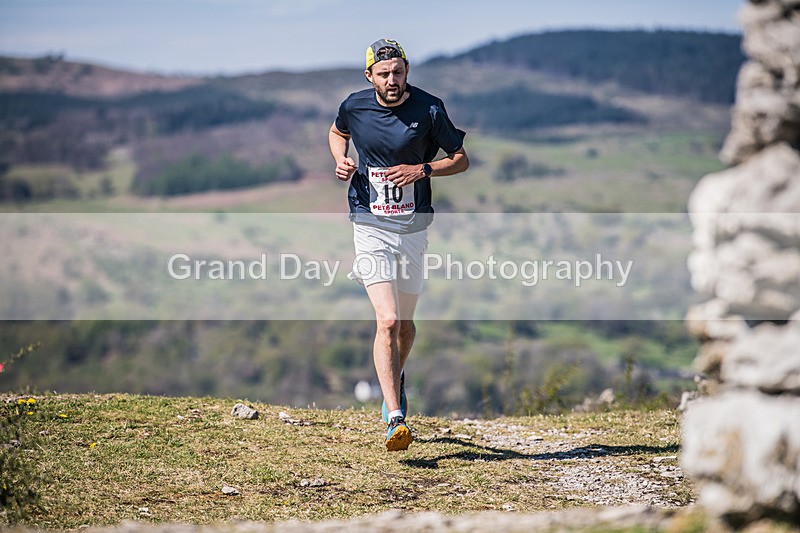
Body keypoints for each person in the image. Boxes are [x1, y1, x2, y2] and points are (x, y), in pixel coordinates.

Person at [328, 38, 470, 451]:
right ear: (370, 75)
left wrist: (422, 169)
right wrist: (340, 158)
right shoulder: (354, 105)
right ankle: (394, 418)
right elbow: (337, 132)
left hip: (413, 227)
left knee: (405, 327)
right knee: (387, 321)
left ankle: (395, 378)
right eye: (384, 73)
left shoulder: (428, 108)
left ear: (407, 71)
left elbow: (460, 158)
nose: (392, 80)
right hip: (368, 221)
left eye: (399, 72)